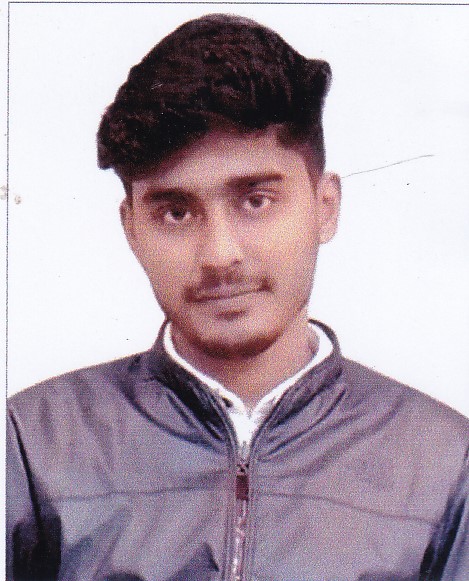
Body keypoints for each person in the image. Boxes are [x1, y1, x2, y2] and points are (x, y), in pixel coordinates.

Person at [6, 13, 468, 581]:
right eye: (176, 212)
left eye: (255, 200)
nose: (219, 254)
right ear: (131, 228)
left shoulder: (444, 462)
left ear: (325, 207)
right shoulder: (30, 445)